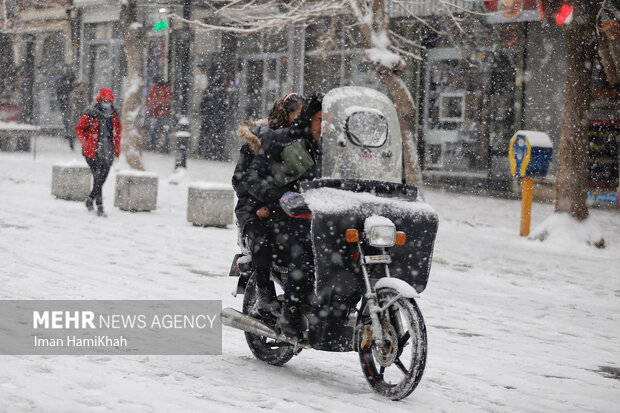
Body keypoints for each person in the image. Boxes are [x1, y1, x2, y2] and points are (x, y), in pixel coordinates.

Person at [245, 92, 324, 339]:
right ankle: (291, 313)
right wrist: (278, 197)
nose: (325, 125)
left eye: (329, 119)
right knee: (306, 250)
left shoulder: (335, 145)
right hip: (286, 216)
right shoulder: (280, 140)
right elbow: (252, 178)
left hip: (323, 215)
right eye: (320, 119)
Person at [232, 93, 305, 313]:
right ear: (285, 115)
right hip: (255, 208)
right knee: (263, 237)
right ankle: (265, 293)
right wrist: (259, 206)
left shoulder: (304, 143)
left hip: (289, 206)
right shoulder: (259, 142)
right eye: (298, 115)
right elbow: (241, 181)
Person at [75, 88, 122, 217]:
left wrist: (116, 149)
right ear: (100, 100)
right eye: (104, 100)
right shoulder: (91, 113)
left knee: (103, 176)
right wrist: (85, 142)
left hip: (108, 149)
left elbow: (117, 133)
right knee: (97, 176)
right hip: (92, 149)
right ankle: (100, 205)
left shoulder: (114, 114)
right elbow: (79, 129)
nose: (107, 103)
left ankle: (90, 199)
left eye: (109, 101)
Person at [198, 67, 230, 160]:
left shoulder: (209, 90)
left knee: (205, 134)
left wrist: (204, 113)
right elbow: (225, 105)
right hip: (217, 116)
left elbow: (203, 104)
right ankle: (217, 152)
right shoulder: (222, 92)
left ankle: (204, 151)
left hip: (209, 116)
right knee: (217, 135)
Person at [144, 76, 173, 152]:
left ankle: (165, 146)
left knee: (164, 130)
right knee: (153, 129)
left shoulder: (166, 88)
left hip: (163, 113)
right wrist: (155, 103)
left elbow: (168, 100)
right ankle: (152, 145)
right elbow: (148, 100)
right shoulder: (154, 88)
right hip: (156, 113)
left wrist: (157, 103)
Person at [56, 66, 75, 144]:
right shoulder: (70, 82)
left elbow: (58, 92)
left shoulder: (62, 82)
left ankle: (68, 131)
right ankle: (68, 131)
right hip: (66, 102)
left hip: (65, 102)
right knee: (68, 117)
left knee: (66, 117)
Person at [67, 81, 87, 151]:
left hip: (82, 114)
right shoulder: (74, 93)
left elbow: (85, 103)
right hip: (75, 114)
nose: (82, 87)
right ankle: (71, 142)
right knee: (73, 128)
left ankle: (83, 144)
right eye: (81, 86)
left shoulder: (84, 93)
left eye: (82, 86)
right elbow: (73, 103)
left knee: (82, 129)